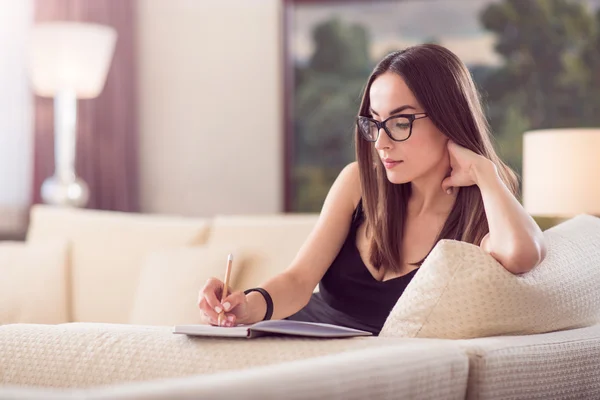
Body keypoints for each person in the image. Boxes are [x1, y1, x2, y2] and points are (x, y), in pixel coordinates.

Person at [197, 44, 547, 335]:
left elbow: (523, 254)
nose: (380, 142)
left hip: (369, 371)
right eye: (374, 122)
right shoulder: (358, 183)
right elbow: (299, 280)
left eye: (399, 122)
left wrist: (486, 174)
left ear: (448, 118)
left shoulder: (482, 212)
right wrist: (246, 307)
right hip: (296, 343)